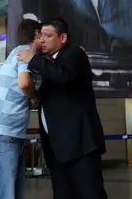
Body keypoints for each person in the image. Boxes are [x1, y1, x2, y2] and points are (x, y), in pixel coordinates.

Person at [17, 18, 107, 199]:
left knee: (89, 193)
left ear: (63, 38)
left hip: (80, 146)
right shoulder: (49, 63)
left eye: (48, 36)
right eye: (40, 35)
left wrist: (33, 59)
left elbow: (63, 76)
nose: (42, 40)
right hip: (57, 149)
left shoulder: (74, 54)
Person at [0, 19, 42, 199]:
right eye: (44, 35)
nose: (45, 40)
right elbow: (24, 84)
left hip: (8, 134)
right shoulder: (25, 53)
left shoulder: (18, 53)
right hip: (2, 135)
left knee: (11, 193)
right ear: (37, 34)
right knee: (4, 194)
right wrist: (33, 97)